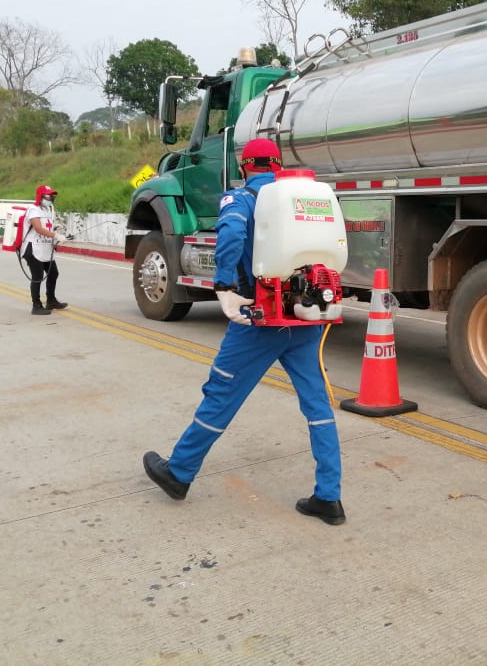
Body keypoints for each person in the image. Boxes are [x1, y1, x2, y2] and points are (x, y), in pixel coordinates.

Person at [143, 138, 345, 525]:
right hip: (304, 317)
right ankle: (329, 497)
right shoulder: (303, 199)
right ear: (277, 164)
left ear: (244, 166)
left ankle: (179, 472)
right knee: (317, 405)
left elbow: (233, 235)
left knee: (221, 394)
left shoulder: (242, 198)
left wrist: (223, 286)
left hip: (259, 319)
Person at [21, 184, 68, 316]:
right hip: (33, 248)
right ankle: (36, 306)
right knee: (37, 277)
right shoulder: (33, 209)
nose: (51, 198)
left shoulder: (48, 209)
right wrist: (56, 235)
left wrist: (55, 228)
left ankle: (51, 301)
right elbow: (38, 228)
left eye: (52, 196)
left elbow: (46, 227)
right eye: (48, 195)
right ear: (40, 196)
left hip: (45, 248)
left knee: (53, 273)